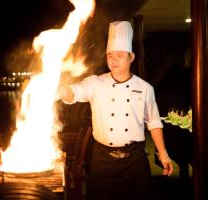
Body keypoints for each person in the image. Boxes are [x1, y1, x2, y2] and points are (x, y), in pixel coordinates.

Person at [56, 21, 173, 200]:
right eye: (110, 55)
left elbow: (154, 122)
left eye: (119, 55)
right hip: (101, 160)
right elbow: (76, 93)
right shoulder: (96, 83)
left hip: (135, 160)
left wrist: (163, 154)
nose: (114, 59)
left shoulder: (145, 88)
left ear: (131, 57)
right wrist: (63, 90)